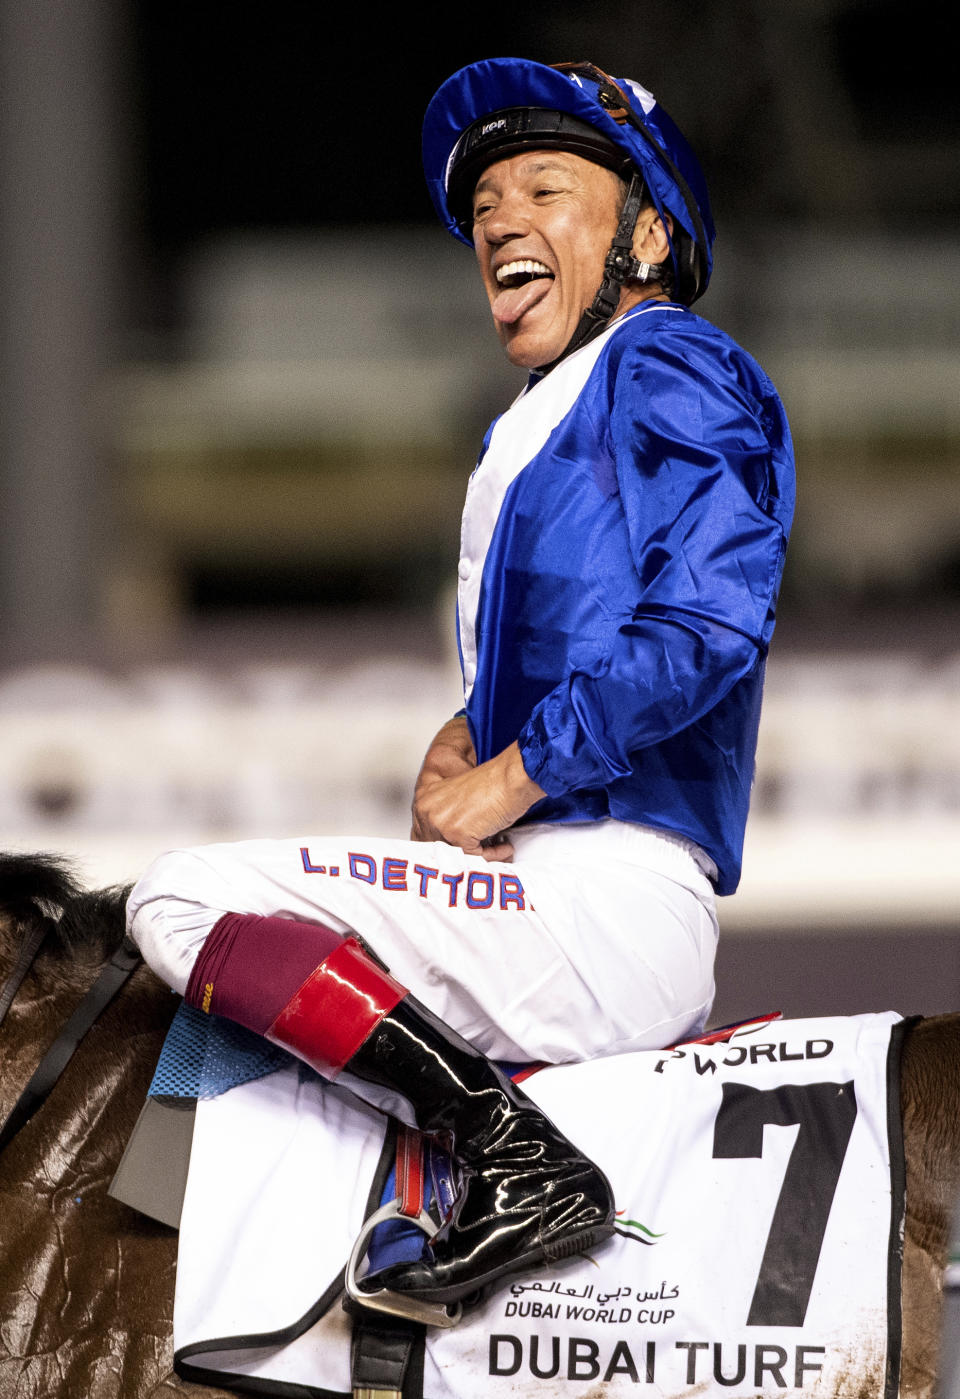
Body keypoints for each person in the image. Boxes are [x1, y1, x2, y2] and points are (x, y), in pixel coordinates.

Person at [126, 58, 794, 1309]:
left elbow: (708, 621)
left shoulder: (667, 363)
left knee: (180, 896)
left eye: (546, 185)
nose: (500, 219)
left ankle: (514, 1162)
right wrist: (469, 728)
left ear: (646, 232)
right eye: (486, 204)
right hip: (552, 895)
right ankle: (181, 1273)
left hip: (608, 906)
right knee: (217, 1017)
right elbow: (593, 633)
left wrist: (515, 771)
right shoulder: (548, 412)